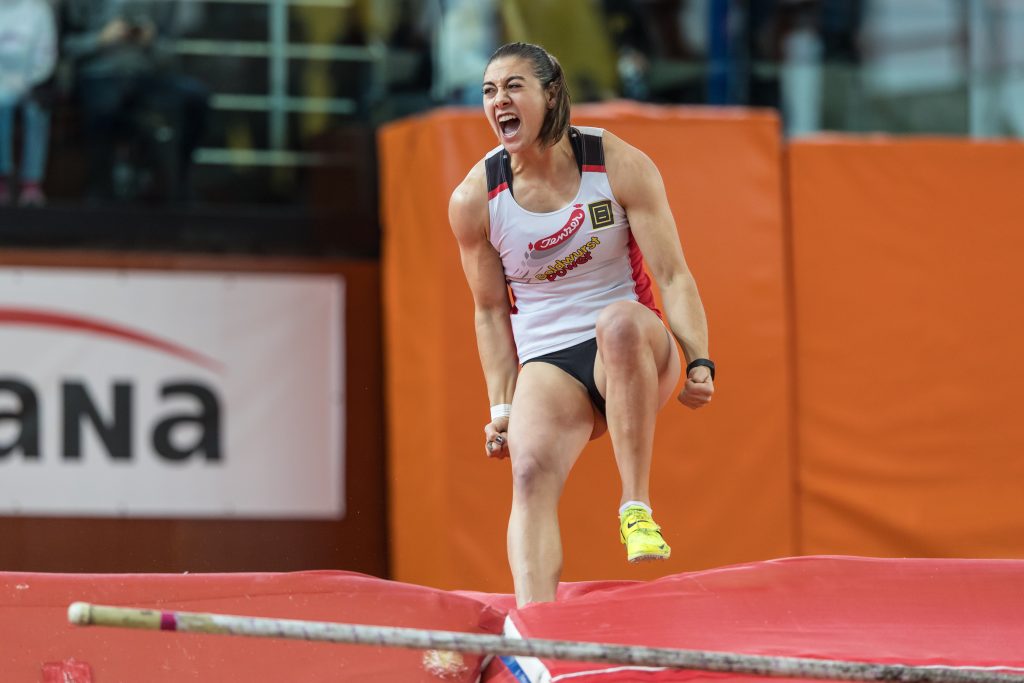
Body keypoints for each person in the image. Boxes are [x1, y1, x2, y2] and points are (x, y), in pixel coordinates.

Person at [449, 42, 714, 607]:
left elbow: (673, 275)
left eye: (514, 86)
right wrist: (501, 408)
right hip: (550, 359)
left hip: (637, 347)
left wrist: (699, 358)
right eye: (489, 91)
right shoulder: (476, 197)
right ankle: (535, 632)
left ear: (551, 93)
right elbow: (490, 311)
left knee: (616, 324)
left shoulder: (613, 162)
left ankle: (635, 507)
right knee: (528, 474)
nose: (499, 101)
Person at [61, 0, 209, 202]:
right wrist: (101, 38)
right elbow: (65, 47)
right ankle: (100, 190)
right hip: (99, 74)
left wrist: (151, 40)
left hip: (147, 75)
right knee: (105, 105)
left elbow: (171, 51)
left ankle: (178, 184)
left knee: (195, 98)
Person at [0, 0, 58, 207]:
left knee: (36, 111)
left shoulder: (38, 10)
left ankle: (31, 183)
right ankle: (2, 178)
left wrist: (29, 81)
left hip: (33, 82)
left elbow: (47, 53)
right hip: (0, 84)